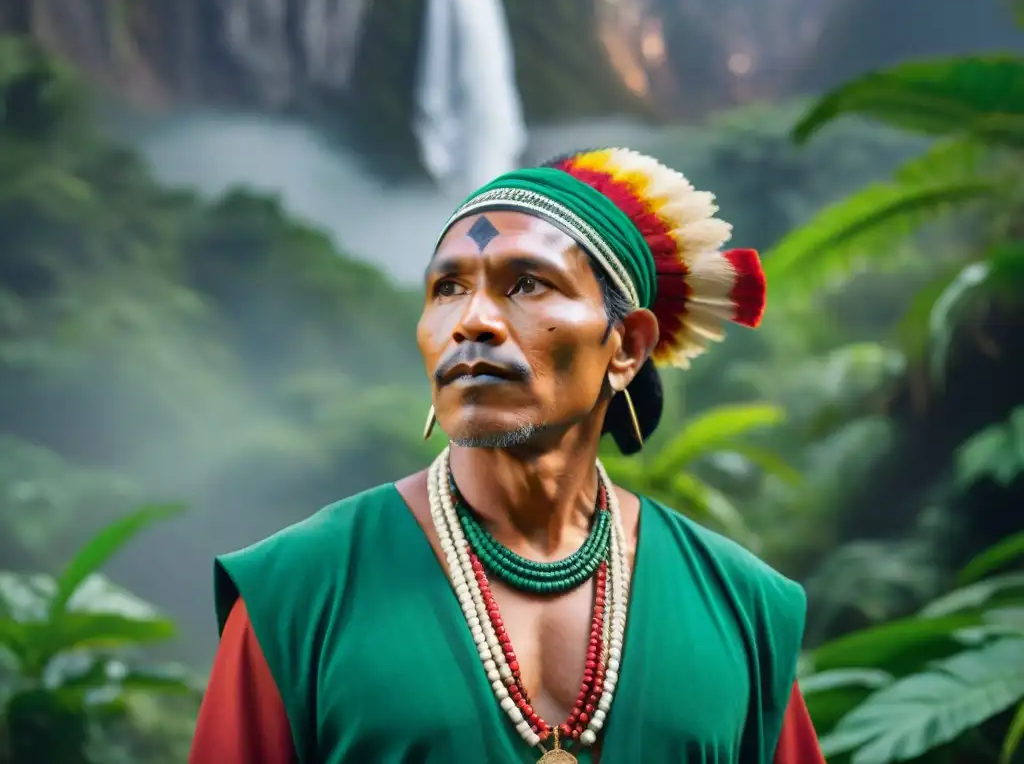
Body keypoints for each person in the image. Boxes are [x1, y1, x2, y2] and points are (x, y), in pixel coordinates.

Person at [189, 148, 825, 764]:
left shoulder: (743, 608)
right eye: (447, 289)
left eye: (527, 284)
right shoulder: (298, 593)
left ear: (627, 347)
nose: (473, 322)